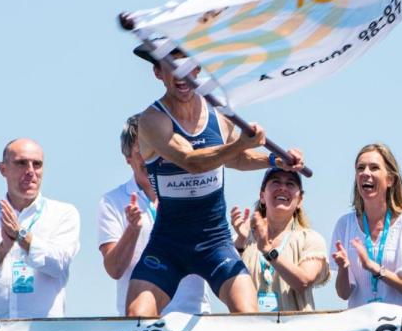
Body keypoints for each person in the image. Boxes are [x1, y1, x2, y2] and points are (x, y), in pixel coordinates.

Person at [126, 40, 304, 316]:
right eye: (171, 67)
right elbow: (191, 161)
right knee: (137, 318)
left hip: (215, 242)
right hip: (168, 244)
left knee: (248, 315)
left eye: (186, 65)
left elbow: (235, 159)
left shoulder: (220, 114)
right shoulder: (152, 120)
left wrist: (274, 160)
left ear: (197, 68)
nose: (180, 75)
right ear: (158, 73)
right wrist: (241, 144)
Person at [98, 114, 210, 316]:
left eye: (156, 147)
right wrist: (132, 230)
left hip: (192, 318)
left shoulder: (193, 192)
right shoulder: (112, 201)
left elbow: (210, 254)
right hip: (141, 324)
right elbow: (114, 269)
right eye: (141, 149)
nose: (150, 156)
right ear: (128, 158)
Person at [0, 138, 80, 319]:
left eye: (37, 164)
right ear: (3, 169)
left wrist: (21, 235)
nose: (30, 171)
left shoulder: (63, 213)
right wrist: (2, 250)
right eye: (21, 163)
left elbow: (59, 264)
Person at [331, 143, 402, 308]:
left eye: (374, 168)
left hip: (401, 327)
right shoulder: (344, 224)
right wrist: (343, 268)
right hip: (362, 328)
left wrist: (376, 269)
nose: (365, 173)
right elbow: (343, 294)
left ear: (390, 179)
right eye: (360, 168)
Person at [230, 168, 328, 312]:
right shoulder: (241, 239)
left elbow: (304, 281)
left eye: (290, 184)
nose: (282, 187)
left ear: (300, 199)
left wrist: (269, 252)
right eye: (276, 182)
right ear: (262, 196)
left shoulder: (311, 239)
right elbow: (225, 283)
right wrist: (241, 241)